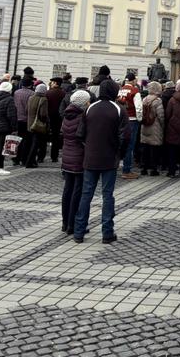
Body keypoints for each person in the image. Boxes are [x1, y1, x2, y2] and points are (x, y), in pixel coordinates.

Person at [74, 79, 129, 243]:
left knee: (86, 194)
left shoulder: (90, 108)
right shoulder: (118, 109)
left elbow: (80, 134)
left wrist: (88, 147)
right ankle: (107, 232)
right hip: (109, 157)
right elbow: (125, 136)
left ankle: (79, 231)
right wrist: (120, 153)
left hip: (91, 157)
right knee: (107, 195)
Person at [59, 90, 89, 234]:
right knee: (78, 191)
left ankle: (65, 223)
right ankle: (73, 224)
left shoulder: (67, 115)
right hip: (79, 157)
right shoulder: (82, 117)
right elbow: (84, 138)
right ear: (83, 103)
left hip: (67, 156)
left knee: (67, 190)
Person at [138, 81, 165, 176]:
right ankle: (153, 169)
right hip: (155, 127)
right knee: (154, 149)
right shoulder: (157, 100)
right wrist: (163, 125)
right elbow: (160, 115)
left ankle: (144, 168)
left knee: (145, 148)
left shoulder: (144, 99)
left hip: (145, 126)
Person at [23, 83, 50, 171]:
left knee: (29, 143)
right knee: (35, 144)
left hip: (29, 124)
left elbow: (26, 110)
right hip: (37, 125)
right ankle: (30, 162)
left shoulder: (31, 97)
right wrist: (46, 122)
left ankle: (29, 160)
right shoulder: (44, 99)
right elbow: (43, 114)